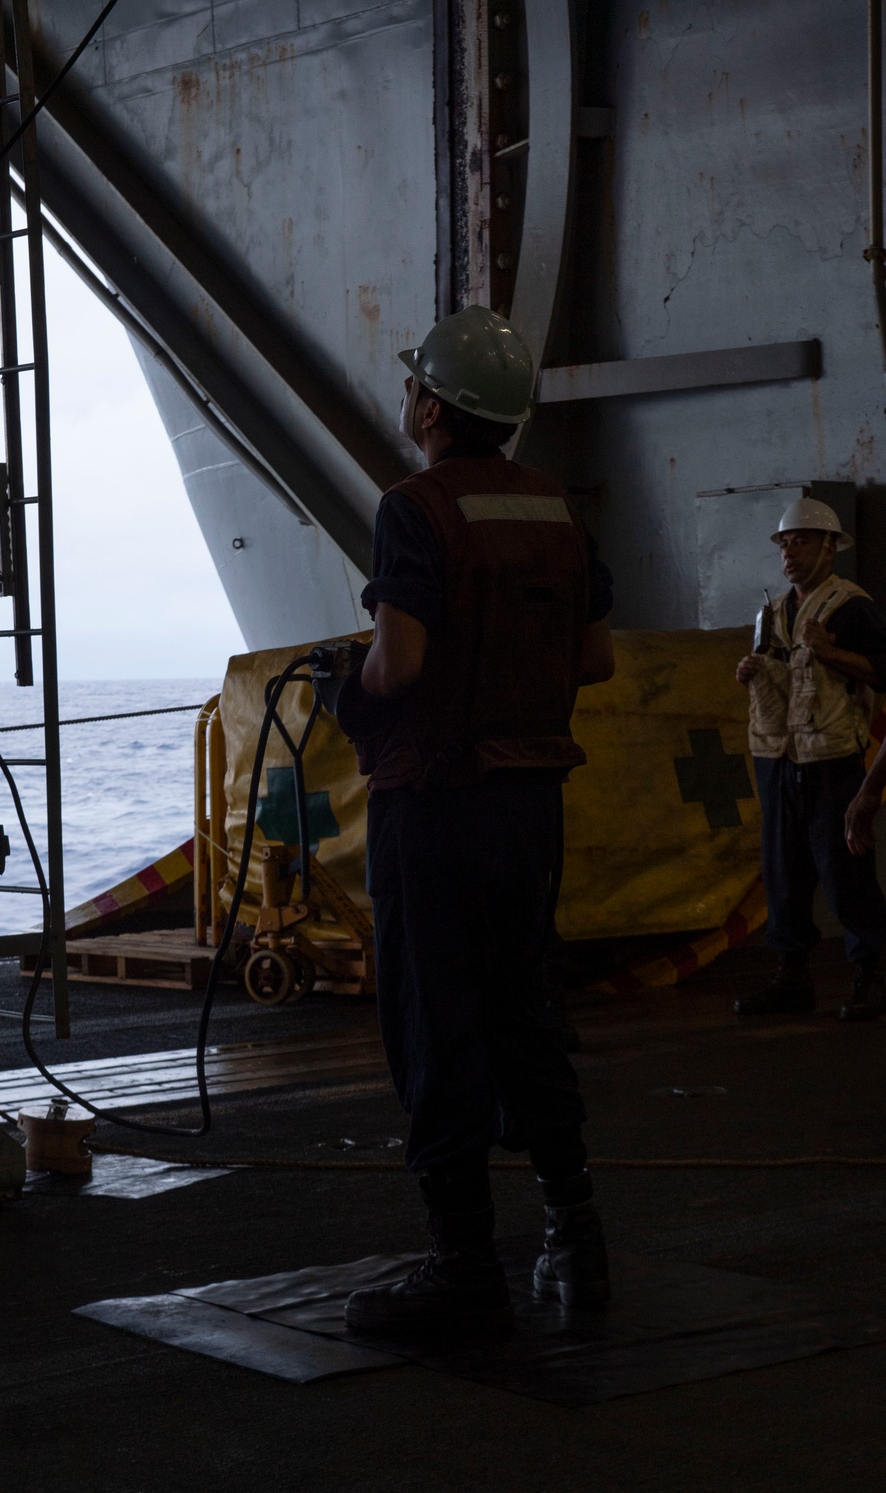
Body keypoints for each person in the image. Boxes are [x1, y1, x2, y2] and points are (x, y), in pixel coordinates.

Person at [332, 305, 615, 1335]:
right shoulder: (558, 510)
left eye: (415, 386)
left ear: (434, 407)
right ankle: (574, 1243)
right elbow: (593, 660)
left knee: (434, 1023)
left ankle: (462, 1267)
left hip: (434, 806)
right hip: (528, 807)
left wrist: (347, 685)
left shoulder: (415, 508)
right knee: (525, 1014)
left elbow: (398, 663)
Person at [733, 498, 886, 1021]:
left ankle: (873, 975)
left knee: (846, 874)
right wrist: (754, 673)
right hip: (776, 757)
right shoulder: (772, 612)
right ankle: (791, 978)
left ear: (830, 548)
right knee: (783, 875)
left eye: (801, 540)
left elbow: (882, 673)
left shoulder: (852, 608)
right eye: (784, 542)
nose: (789, 550)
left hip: (831, 760)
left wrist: (833, 652)